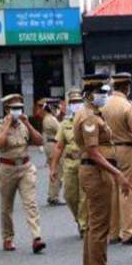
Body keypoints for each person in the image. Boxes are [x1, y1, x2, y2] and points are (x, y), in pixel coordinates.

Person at [74, 74, 132, 265]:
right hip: (97, 172)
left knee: (92, 225)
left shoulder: (90, 113)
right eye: (101, 92)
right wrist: (117, 173)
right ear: (89, 95)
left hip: (92, 170)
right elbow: (93, 152)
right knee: (100, 227)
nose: (105, 96)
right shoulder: (89, 117)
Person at [0, 94, 46, 253]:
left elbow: (39, 141)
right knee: (6, 206)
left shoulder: (24, 125)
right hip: (7, 169)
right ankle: (8, 238)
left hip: (25, 167)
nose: (17, 111)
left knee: (31, 203)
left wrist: (28, 124)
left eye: (19, 108)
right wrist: (7, 124)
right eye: (14, 108)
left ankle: (37, 237)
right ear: (7, 109)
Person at [102, 72, 132, 245]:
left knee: (113, 190)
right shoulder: (127, 106)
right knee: (127, 190)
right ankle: (128, 232)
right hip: (125, 149)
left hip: (108, 151)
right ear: (127, 87)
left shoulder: (104, 104)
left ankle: (113, 232)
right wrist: (131, 138)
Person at [50, 90, 87, 237]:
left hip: (85, 162)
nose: (76, 105)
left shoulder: (88, 119)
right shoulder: (65, 123)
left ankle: (84, 225)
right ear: (68, 105)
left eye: (78, 102)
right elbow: (59, 147)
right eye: (73, 103)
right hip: (70, 162)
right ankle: (79, 219)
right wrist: (53, 167)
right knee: (69, 195)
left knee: (85, 196)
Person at [42, 98, 64, 206]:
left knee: (55, 170)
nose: (58, 110)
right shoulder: (50, 119)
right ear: (51, 108)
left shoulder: (49, 118)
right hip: (52, 146)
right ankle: (53, 197)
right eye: (57, 108)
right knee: (57, 171)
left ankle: (52, 195)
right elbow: (61, 131)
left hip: (51, 145)